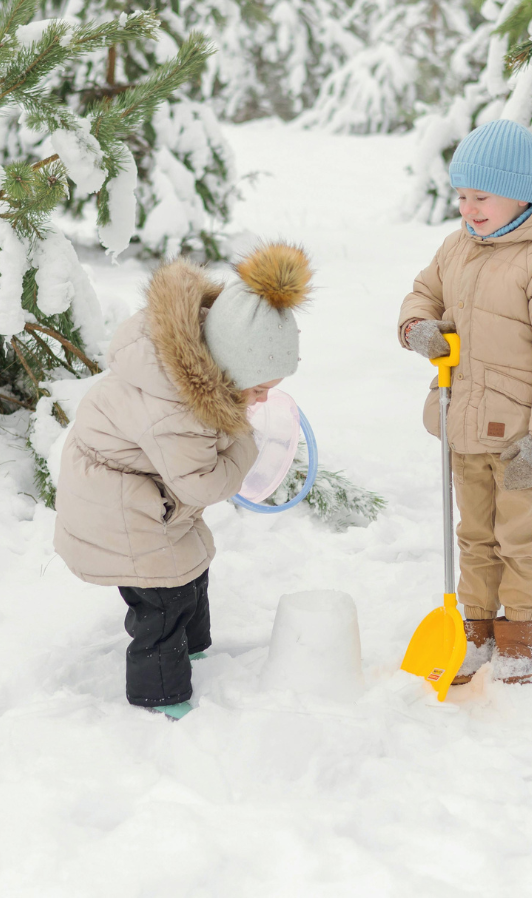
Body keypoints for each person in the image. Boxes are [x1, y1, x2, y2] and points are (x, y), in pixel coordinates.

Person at [54, 243, 312, 718]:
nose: (259, 401)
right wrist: (247, 444)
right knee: (163, 600)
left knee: (192, 568)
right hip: (116, 508)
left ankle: (195, 649)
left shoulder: (199, 377)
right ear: (229, 366)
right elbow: (202, 483)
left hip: (144, 492)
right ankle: (160, 696)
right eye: (257, 390)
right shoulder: (177, 407)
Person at [399, 119, 532, 685]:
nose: (468, 208)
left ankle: (516, 636)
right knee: (474, 535)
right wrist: (417, 326)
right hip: (464, 425)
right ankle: (476, 629)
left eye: (481, 196)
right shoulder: (456, 248)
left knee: (519, 539)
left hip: (523, 441)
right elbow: (422, 292)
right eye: (461, 196)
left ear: (521, 192)